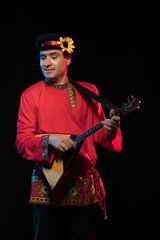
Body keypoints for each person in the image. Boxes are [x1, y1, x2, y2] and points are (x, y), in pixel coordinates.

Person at [15, 33, 122, 240]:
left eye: (53, 56)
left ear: (68, 59)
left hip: (83, 184)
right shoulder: (30, 95)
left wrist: (111, 129)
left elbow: (100, 136)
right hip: (48, 183)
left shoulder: (88, 91)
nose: (46, 63)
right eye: (42, 57)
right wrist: (50, 139)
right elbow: (22, 141)